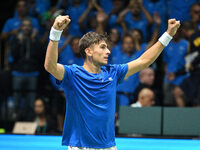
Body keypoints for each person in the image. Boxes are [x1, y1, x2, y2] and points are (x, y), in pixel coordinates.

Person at [44, 15, 180, 149]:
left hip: (109, 146)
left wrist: (168, 34)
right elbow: (50, 66)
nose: (108, 51)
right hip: (80, 146)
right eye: (103, 47)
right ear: (88, 51)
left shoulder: (113, 72)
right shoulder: (73, 74)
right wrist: (56, 32)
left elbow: (144, 61)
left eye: (107, 47)